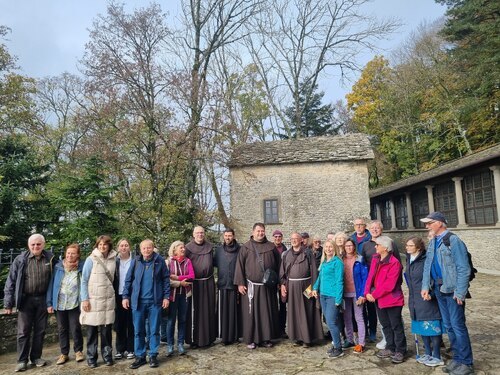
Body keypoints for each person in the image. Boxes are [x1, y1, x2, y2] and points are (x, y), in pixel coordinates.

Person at [420, 212, 474, 375]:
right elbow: (428, 264)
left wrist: (460, 292)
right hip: (438, 289)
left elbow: (464, 268)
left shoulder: (453, 240)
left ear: (440, 223)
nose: (427, 226)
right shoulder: (434, 241)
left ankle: (466, 362)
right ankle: (457, 359)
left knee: (458, 326)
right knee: (449, 326)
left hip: (451, 290)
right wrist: (425, 286)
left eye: (430, 223)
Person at [4, 234, 55, 372]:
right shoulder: (20, 259)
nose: (35, 247)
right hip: (26, 300)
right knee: (23, 331)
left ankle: (36, 357)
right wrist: (8, 303)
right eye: (33, 244)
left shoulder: (51, 258)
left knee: (41, 330)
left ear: (43, 244)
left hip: (43, 299)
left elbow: (59, 276)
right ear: (28, 245)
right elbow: (11, 282)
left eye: (38, 244)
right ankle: (22, 360)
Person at [123, 239, 170, 369]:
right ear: (140, 249)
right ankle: (140, 356)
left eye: (149, 248)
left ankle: (153, 355)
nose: (146, 250)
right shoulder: (136, 262)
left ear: (153, 248)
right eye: (144, 248)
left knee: (154, 330)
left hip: (155, 301)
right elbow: (128, 280)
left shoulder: (159, 261)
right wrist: (125, 296)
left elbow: (166, 280)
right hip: (138, 302)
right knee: (138, 330)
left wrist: (166, 297)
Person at [234, 223, 281, 349]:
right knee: (251, 313)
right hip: (251, 287)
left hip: (267, 287)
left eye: (262, 231)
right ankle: (251, 339)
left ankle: (266, 338)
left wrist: (278, 282)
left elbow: (279, 265)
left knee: (266, 313)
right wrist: (240, 283)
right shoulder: (246, 247)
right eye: (258, 231)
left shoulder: (271, 247)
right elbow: (239, 266)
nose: (260, 233)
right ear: (253, 232)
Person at [365, 236, 406, 364]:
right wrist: (366, 292)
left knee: (396, 325)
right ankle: (390, 347)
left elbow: (389, 284)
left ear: (386, 248)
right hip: (379, 299)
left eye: (377, 245)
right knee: (385, 325)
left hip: (392, 299)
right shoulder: (375, 259)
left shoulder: (394, 263)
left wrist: (374, 295)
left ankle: (400, 350)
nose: (375, 247)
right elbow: (370, 276)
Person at [360, 220, 401, 348]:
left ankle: (397, 347)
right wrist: (367, 292)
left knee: (394, 321)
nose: (374, 230)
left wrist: (396, 284)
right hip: (374, 288)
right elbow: (368, 272)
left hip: (388, 290)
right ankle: (388, 342)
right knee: (382, 319)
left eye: (377, 228)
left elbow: (396, 268)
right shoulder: (369, 250)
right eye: (372, 228)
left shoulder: (390, 246)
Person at [404, 236, 443, 367]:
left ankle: (437, 355)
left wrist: (431, 293)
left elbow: (432, 277)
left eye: (410, 245)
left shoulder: (427, 260)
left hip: (427, 298)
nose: (407, 248)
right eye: (407, 245)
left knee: (432, 327)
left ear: (418, 248)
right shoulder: (408, 259)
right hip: (414, 298)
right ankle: (427, 352)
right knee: (421, 326)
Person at [280, 232, 323, 347]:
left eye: (296, 239)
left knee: (307, 310)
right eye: (292, 239)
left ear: (301, 240)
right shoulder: (286, 254)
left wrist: (314, 288)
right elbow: (282, 273)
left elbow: (314, 270)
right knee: (294, 311)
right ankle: (297, 337)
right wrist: (283, 285)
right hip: (292, 287)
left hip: (307, 286)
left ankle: (308, 338)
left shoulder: (308, 253)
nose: (294, 240)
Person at [80, 235, 117, 368]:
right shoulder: (91, 259)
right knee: (91, 332)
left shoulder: (114, 260)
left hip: (107, 301)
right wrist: (84, 299)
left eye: (105, 244)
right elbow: (84, 280)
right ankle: (91, 358)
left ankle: (107, 356)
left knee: (106, 332)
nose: (102, 247)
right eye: (100, 244)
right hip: (93, 300)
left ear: (109, 246)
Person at [46, 243, 85, 365]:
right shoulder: (58, 267)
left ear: (77, 255)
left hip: (74, 303)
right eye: (68, 253)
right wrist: (49, 303)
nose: (70, 255)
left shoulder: (81, 267)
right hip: (59, 303)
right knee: (62, 329)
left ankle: (78, 351)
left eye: (73, 253)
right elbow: (51, 285)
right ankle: (64, 354)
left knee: (75, 328)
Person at [184, 226, 217, 348]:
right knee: (195, 311)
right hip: (194, 283)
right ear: (193, 234)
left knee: (208, 309)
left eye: (202, 232)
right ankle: (194, 339)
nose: (200, 235)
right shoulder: (187, 248)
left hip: (208, 281)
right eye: (197, 233)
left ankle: (208, 338)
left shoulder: (209, 247)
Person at [311, 240, 344, 358]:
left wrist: (338, 299)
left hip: (332, 296)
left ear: (334, 248)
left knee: (331, 322)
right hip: (323, 295)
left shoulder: (337, 262)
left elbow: (340, 281)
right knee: (328, 322)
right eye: (326, 247)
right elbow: (320, 277)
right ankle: (336, 343)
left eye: (331, 247)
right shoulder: (324, 261)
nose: (328, 249)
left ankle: (339, 348)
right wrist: (315, 288)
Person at [165, 241, 194, 356]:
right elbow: (166, 279)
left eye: (184, 248)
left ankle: (180, 344)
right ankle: (170, 345)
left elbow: (192, 276)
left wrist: (177, 277)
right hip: (172, 296)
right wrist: (180, 283)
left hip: (184, 295)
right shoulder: (168, 262)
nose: (183, 249)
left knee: (182, 320)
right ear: (174, 250)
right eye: (181, 248)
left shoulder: (188, 261)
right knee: (171, 321)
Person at [213, 229, 242, 345]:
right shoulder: (219, 250)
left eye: (230, 235)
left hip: (235, 285)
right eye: (226, 236)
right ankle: (224, 336)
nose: (228, 237)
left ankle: (235, 335)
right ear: (223, 237)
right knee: (223, 312)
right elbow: (214, 263)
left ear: (233, 236)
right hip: (223, 284)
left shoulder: (240, 250)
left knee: (234, 311)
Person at [342, 238, 368, 353]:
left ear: (354, 247)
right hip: (344, 292)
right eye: (347, 246)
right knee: (347, 317)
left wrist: (362, 294)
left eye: (351, 245)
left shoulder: (360, 259)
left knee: (359, 317)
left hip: (357, 293)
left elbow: (365, 278)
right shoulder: (340, 259)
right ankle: (350, 339)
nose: (349, 247)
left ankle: (361, 342)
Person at [114, 239, 135, 360]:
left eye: (126, 245)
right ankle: (120, 349)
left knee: (131, 322)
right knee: (119, 323)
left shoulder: (134, 261)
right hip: (118, 295)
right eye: (121, 246)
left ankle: (131, 348)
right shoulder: (115, 261)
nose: (124, 248)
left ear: (129, 247)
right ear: (118, 248)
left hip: (132, 295)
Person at [272, 229, 288, 338]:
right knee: (272, 304)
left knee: (283, 304)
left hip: (283, 280)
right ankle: (273, 328)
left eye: (279, 236)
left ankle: (282, 328)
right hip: (273, 280)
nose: (277, 238)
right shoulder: (270, 248)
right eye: (276, 237)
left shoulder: (285, 249)